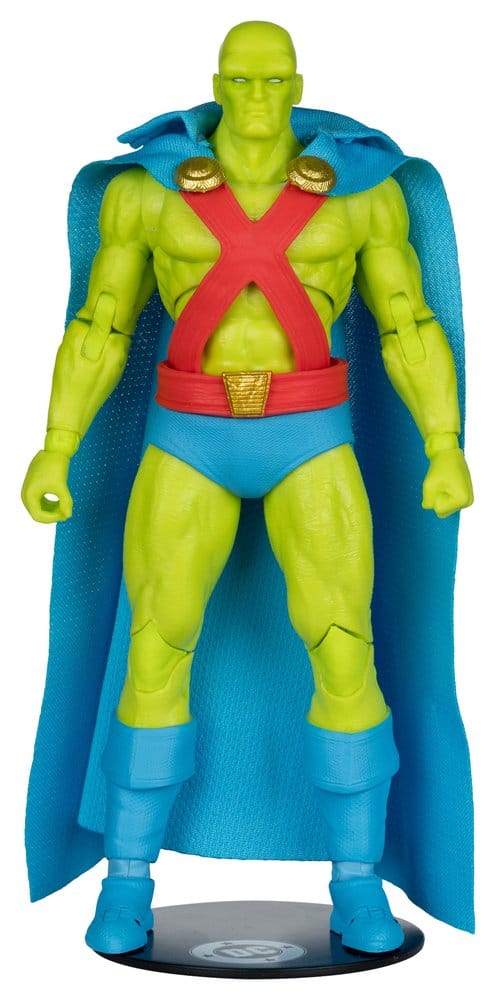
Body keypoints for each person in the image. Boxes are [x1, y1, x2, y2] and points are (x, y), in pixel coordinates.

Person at [22, 20, 473, 957]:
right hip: (189, 434)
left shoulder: (361, 192)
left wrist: (444, 444)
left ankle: (355, 884)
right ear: (219, 83)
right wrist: (57, 447)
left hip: (312, 436)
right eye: (242, 81)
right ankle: (127, 883)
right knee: (156, 650)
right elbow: (100, 327)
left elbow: (408, 323)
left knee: (345, 650)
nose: (258, 98)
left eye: (273, 82)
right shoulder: (150, 193)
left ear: (296, 85)